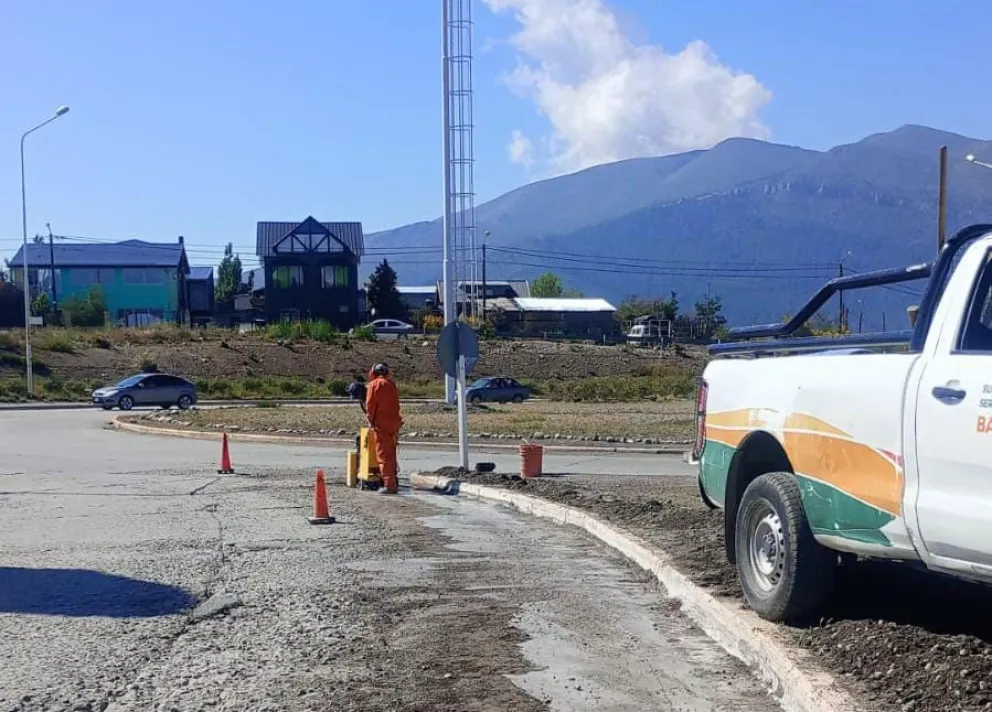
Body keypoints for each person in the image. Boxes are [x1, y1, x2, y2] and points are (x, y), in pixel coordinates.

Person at [365, 362, 402, 494]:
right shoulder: (391, 384)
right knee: (391, 454)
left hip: (381, 425)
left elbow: (370, 405)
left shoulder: (373, 385)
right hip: (394, 424)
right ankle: (393, 479)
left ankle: (390, 485)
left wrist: (370, 420)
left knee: (384, 456)